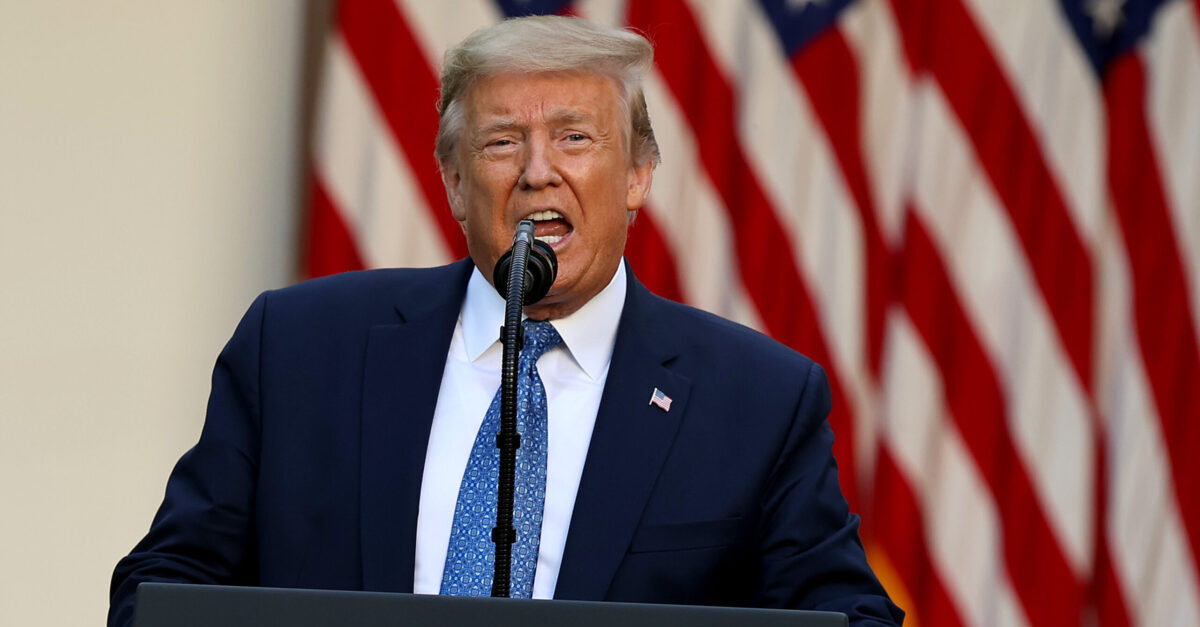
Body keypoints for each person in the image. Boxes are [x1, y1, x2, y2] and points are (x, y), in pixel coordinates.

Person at [109, 15, 903, 627]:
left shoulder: (757, 400)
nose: (536, 171)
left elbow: (849, 617)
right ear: (455, 184)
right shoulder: (298, 349)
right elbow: (162, 590)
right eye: (501, 142)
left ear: (637, 174)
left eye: (574, 137)